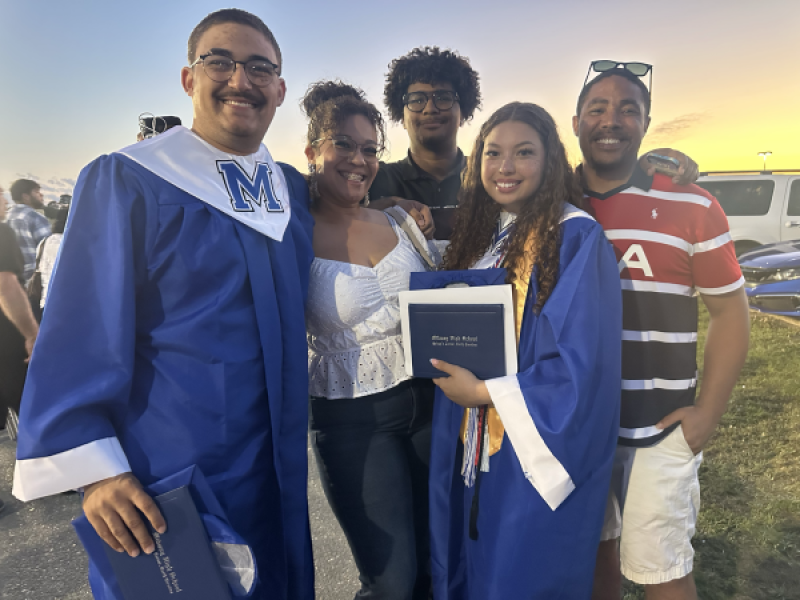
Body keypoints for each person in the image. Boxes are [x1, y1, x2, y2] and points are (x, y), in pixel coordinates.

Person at [12, 9, 314, 600]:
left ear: (279, 88)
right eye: (219, 62)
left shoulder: (285, 189)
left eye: (259, 67)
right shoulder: (129, 180)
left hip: (272, 462)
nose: (239, 80)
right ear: (187, 78)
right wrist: (97, 472)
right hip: (167, 466)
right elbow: (79, 330)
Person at [427, 102, 623, 598]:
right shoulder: (485, 240)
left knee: (521, 574)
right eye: (493, 153)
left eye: (524, 153)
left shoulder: (574, 236)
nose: (506, 167)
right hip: (477, 445)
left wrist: (484, 392)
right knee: (476, 567)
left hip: (529, 449)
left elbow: (582, 370)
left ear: (551, 161)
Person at [575, 66, 750, 600]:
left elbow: (732, 314)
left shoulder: (692, 204)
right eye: (598, 107)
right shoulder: (549, 200)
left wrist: (708, 413)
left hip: (660, 425)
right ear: (576, 121)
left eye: (629, 108)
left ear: (646, 124)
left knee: (662, 572)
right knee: (593, 557)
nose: (612, 120)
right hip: (576, 422)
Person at [303, 80, 441, 600]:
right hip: (351, 421)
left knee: (434, 563)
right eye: (342, 144)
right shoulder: (289, 232)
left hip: (428, 402)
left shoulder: (399, 221)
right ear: (313, 151)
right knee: (389, 582)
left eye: (369, 149)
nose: (357, 159)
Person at [370, 47, 481, 240]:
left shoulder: (487, 176)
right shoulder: (375, 180)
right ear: (401, 117)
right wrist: (387, 206)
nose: (430, 109)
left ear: (463, 112)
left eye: (444, 98)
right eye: (417, 100)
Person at [0, 184, 39, 507]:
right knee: (32, 402)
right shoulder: (1, 233)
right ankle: (51, 473)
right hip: (6, 337)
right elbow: (6, 285)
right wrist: (31, 333)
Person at [7, 179, 51, 282]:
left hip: (9, 282)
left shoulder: (6, 217)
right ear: (25, 196)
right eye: (36, 192)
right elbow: (47, 251)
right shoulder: (35, 217)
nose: (41, 195)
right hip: (31, 282)